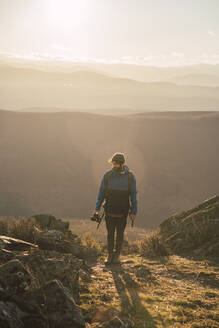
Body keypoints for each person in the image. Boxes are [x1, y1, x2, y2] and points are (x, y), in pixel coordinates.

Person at [93, 152, 138, 265]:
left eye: (116, 164)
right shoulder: (107, 176)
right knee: (110, 234)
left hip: (123, 212)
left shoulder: (130, 177)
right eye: (113, 163)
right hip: (109, 210)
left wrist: (134, 211)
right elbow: (101, 193)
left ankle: (117, 256)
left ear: (122, 164)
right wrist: (96, 209)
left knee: (120, 234)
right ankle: (110, 256)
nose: (114, 166)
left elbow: (133, 195)